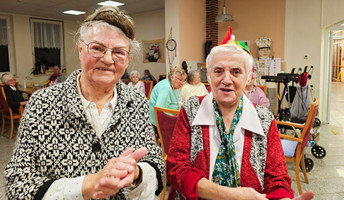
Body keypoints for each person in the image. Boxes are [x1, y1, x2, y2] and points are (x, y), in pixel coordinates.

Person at [5, 6, 165, 200]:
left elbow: (155, 163)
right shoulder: (42, 104)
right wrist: (87, 185)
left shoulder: (137, 103)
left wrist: (138, 174)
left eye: (118, 52)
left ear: (128, 58)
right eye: (97, 48)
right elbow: (17, 182)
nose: (107, 59)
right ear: (80, 49)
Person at [166, 27, 314, 200]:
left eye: (236, 72)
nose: (226, 80)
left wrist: (281, 198)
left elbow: (278, 180)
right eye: (218, 71)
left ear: (248, 78)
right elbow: (176, 169)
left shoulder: (264, 119)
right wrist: (234, 195)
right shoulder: (191, 110)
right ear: (209, 76)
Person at [149, 66, 187, 131]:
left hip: (170, 119)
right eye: (180, 80)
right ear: (172, 77)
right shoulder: (166, 89)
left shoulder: (174, 86)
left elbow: (177, 103)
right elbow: (159, 111)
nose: (182, 83)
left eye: (184, 80)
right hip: (158, 124)